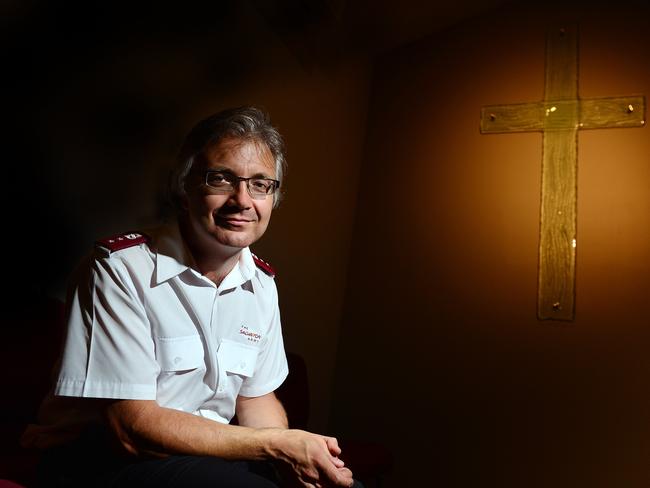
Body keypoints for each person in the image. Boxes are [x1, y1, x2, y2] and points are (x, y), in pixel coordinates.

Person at [22, 106, 358, 488]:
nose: (242, 200)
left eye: (261, 184)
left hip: (205, 460)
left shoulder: (261, 284)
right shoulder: (118, 269)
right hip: (96, 461)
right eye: (221, 179)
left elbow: (254, 400)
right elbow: (131, 429)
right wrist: (277, 445)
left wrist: (289, 463)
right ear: (184, 188)